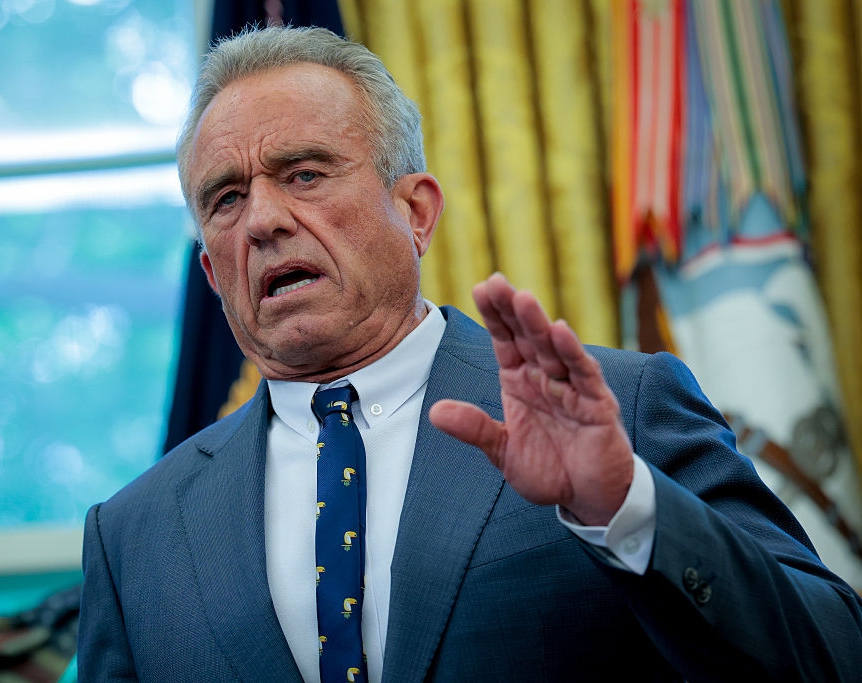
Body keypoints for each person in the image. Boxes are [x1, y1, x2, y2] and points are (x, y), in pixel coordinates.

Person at [77, 25, 862, 682]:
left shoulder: (624, 410)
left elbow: (834, 655)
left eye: (305, 173)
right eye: (226, 198)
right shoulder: (133, 539)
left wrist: (628, 505)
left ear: (415, 211)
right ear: (214, 271)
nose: (263, 221)